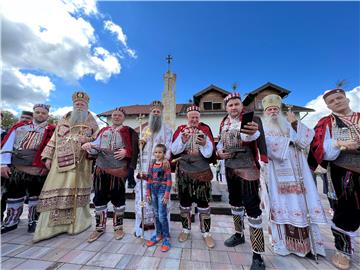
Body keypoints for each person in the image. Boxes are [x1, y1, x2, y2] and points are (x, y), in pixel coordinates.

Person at [260, 94, 327, 259]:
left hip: (298, 173)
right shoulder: (264, 128)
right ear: (265, 112)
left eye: (275, 109)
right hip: (277, 175)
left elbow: (306, 139)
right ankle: (284, 245)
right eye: (269, 109)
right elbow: (265, 145)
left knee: (304, 206)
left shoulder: (289, 124)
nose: (273, 112)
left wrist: (295, 123)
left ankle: (310, 246)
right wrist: (287, 143)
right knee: (281, 206)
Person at [33, 91, 99, 242]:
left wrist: (87, 139)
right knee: (55, 189)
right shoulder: (64, 119)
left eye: (82, 104)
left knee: (76, 192)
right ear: (73, 104)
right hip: (59, 161)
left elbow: (97, 140)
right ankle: (49, 228)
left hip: (80, 164)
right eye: (77, 103)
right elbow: (54, 139)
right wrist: (48, 156)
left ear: (87, 105)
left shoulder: (92, 121)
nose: (79, 105)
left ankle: (76, 224)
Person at [308, 88, 360, 270]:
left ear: (346, 98)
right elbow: (322, 151)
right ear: (327, 105)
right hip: (342, 171)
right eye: (332, 101)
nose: (337, 102)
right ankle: (343, 250)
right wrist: (339, 143)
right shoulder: (326, 123)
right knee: (344, 211)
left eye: (339, 98)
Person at [217, 93, 267, 270]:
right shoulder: (224, 123)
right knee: (235, 203)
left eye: (236, 104)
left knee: (252, 208)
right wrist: (219, 154)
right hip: (230, 168)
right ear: (226, 108)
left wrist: (252, 131)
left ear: (241, 105)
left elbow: (254, 136)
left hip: (247, 168)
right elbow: (219, 146)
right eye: (230, 105)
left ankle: (258, 253)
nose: (233, 107)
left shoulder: (251, 119)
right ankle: (239, 234)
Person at [82, 107, 139, 242]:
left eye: (119, 115)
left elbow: (136, 149)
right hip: (101, 170)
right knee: (99, 199)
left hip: (118, 172)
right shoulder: (103, 131)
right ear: (111, 117)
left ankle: (118, 227)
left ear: (124, 117)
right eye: (114, 115)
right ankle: (99, 228)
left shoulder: (129, 132)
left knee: (118, 199)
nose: (116, 117)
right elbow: (95, 148)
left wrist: (127, 152)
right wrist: (89, 146)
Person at [1, 104, 55, 233]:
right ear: (33, 113)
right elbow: (7, 145)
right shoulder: (19, 127)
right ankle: (11, 221)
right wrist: (3, 164)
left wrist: (47, 167)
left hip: (38, 169)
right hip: (17, 168)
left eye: (43, 113)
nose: (40, 115)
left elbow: (53, 150)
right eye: (38, 112)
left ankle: (34, 221)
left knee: (36, 196)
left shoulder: (52, 130)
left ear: (47, 115)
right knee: (14, 194)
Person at [171, 105, 216, 248]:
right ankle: (185, 230)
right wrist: (183, 141)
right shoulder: (180, 130)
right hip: (184, 173)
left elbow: (209, 154)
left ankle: (206, 233)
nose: (194, 120)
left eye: (196, 117)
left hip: (201, 172)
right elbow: (174, 150)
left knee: (204, 204)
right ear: (187, 118)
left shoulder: (205, 130)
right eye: (192, 117)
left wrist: (204, 144)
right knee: (184, 203)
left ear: (199, 118)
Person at [135, 101, 173, 239]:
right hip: (145, 168)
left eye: (158, 111)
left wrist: (165, 160)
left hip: (160, 169)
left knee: (159, 199)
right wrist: (140, 143)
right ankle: (144, 231)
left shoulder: (167, 129)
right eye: (153, 111)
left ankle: (162, 231)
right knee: (144, 198)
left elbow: (169, 147)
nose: (155, 113)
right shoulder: (146, 130)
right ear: (150, 113)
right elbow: (141, 147)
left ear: (161, 113)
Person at [145, 144, 172, 252]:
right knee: (155, 213)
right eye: (156, 152)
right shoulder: (151, 164)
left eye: (160, 152)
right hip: (153, 190)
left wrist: (166, 195)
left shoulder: (166, 164)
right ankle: (158, 234)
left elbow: (169, 181)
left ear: (164, 153)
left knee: (162, 215)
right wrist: (148, 193)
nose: (157, 154)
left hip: (162, 189)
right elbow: (149, 179)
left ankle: (166, 237)